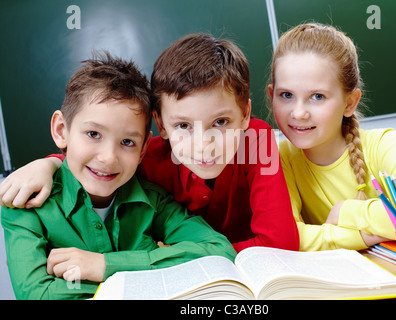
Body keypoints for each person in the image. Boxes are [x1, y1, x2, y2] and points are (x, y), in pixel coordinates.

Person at [0, 34, 299, 253]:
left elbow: (280, 244)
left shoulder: (256, 140)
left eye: (220, 123)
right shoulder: (151, 159)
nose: (204, 145)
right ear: (160, 125)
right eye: (183, 126)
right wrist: (52, 162)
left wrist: (177, 253)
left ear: (245, 114)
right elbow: (104, 160)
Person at [1, 52, 236, 300]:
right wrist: (147, 276)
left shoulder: (153, 201)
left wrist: (104, 265)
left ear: (143, 149)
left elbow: (218, 252)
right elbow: (37, 295)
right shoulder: (26, 203)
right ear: (62, 130)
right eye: (93, 134)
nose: (109, 158)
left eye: (127, 142)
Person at [267, 23, 396, 251]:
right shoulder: (280, 158)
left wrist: (345, 212)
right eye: (286, 95)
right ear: (271, 95)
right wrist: (364, 236)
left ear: (349, 102)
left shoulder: (382, 144)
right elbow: (290, 236)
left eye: (317, 96)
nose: (298, 113)